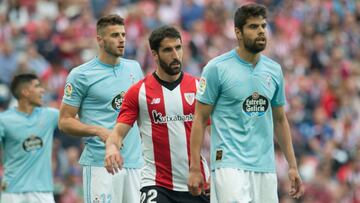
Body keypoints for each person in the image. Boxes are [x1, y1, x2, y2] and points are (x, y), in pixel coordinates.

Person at [187, 3, 305, 203]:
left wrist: (292, 166)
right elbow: (200, 119)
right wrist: (194, 169)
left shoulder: (274, 70)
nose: (261, 31)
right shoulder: (216, 68)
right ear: (237, 32)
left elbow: (279, 120)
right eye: (253, 27)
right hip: (228, 165)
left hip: (265, 168)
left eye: (263, 26)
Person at [105, 25, 210, 203]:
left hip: (196, 181)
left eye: (178, 48)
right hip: (156, 184)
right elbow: (117, 133)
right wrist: (111, 148)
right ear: (155, 54)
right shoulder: (138, 92)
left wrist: (217, 171)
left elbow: (217, 134)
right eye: (168, 50)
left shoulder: (200, 88)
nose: (175, 55)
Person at [58, 14, 144, 203]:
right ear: (100, 39)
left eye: (123, 34)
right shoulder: (81, 75)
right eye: (114, 35)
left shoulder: (135, 68)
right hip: (101, 163)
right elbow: (64, 121)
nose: (121, 39)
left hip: (136, 163)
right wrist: (98, 131)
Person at [0, 73, 58, 203]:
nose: (42, 90)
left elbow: (73, 122)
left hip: (42, 191)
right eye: (37, 86)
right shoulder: (4, 120)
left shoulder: (50, 115)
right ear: (25, 92)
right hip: (12, 191)